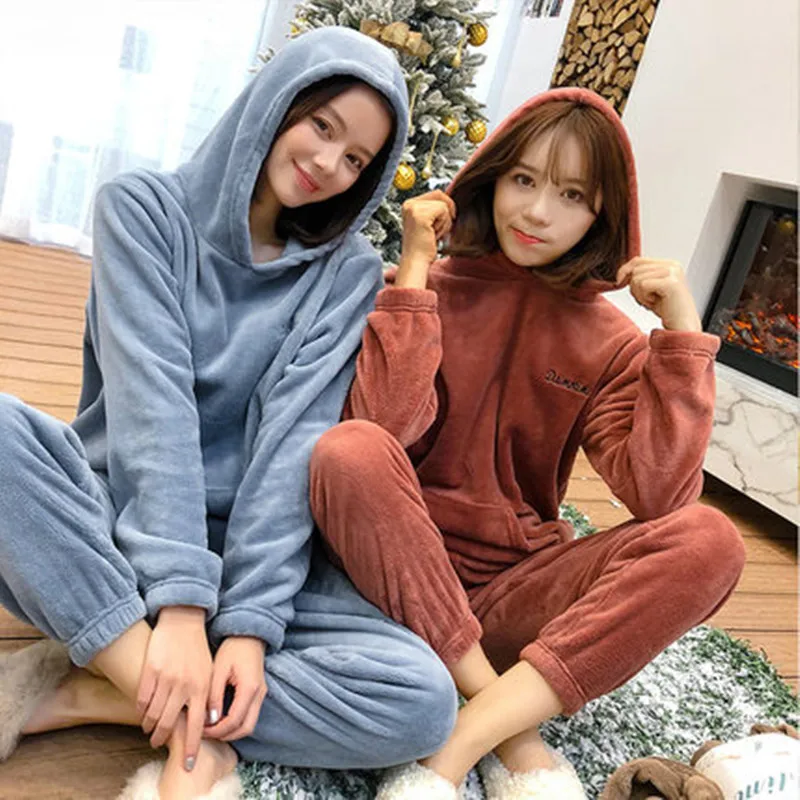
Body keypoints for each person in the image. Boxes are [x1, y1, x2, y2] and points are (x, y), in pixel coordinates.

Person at [0, 27, 458, 800]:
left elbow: (293, 445)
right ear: (274, 104)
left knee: (422, 701)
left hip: (251, 552)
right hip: (114, 522)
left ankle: (105, 687)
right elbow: (152, 414)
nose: (328, 164)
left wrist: (247, 623)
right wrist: (182, 606)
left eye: (356, 160)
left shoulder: (347, 273)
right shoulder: (142, 210)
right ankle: (177, 697)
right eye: (322, 126)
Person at [310, 87, 746, 800]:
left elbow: (659, 497)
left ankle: (462, 739)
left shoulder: (611, 342)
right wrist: (415, 271)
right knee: (349, 450)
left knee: (710, 541)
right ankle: (511, 731)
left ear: (602, 214)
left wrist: (681, 336)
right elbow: (381, 426)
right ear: (492, 178)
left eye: (572, 195)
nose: (539, 212)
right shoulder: (419, 290)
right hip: (387, 578)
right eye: (523, 180)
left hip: (510, 598)